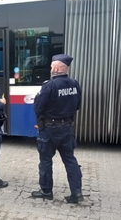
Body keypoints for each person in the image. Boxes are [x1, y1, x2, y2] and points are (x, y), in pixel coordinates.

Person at [32, 54, 83, 203]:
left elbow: (38, 108)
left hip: (49, 130)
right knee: (70, 159)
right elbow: (77, 106)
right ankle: (76, 192)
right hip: (67, 128)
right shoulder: (75, 84)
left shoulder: (49, 85)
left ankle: (46, 191)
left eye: (51, 67)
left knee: (46, 160)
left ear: (55, 68)